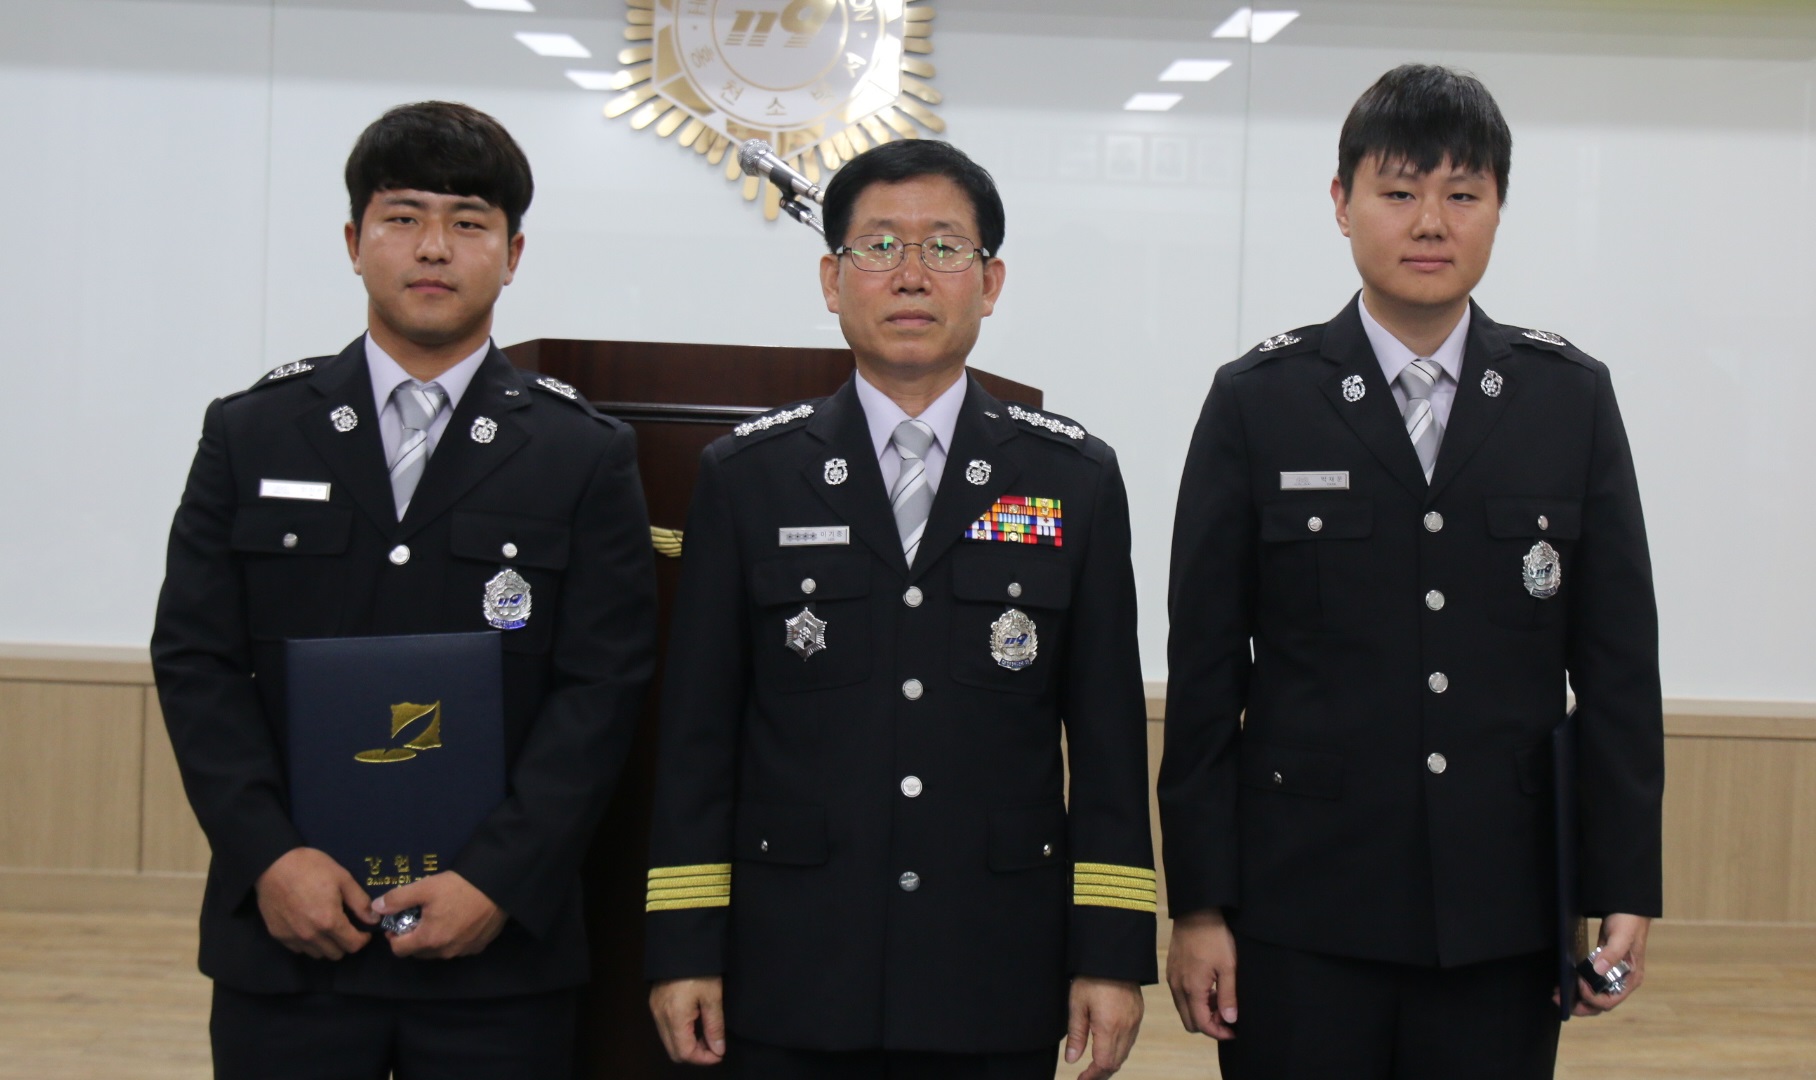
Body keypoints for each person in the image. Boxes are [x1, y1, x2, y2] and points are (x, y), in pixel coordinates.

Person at [1158, 64, 1664, 1079]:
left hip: (1503, 910)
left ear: (1498, 208)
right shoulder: (1260, 401)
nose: (1430, 222)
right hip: (1302, 909)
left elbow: (1616, 669)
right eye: (1398, 191)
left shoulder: (1567, 400)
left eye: (1462, 193)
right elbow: (1206, 676)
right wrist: (1200, 905)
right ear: (1341, 203)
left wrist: (1624, 882)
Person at [150, 101, 657, 1079]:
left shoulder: (581, 453)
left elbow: (602, 689)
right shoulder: (251, 432)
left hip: (496, 953)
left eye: (468, 222)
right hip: (292, 938)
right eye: (402, 217)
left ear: (512, 254)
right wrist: (270, 856)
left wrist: (498, 878)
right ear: (354, 242)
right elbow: (195, 661)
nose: (433, 247)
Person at [643, 139, 1156, 1079]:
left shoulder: (1073, 479)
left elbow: (1110, 743)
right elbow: (697, 740)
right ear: (831, 279)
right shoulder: (749, 477)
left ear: (990, 283)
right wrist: (683, 945)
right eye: (878, 246)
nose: (911, 274)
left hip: (992, 964)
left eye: (945, 247)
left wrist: (1111, 953)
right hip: (791, 966)